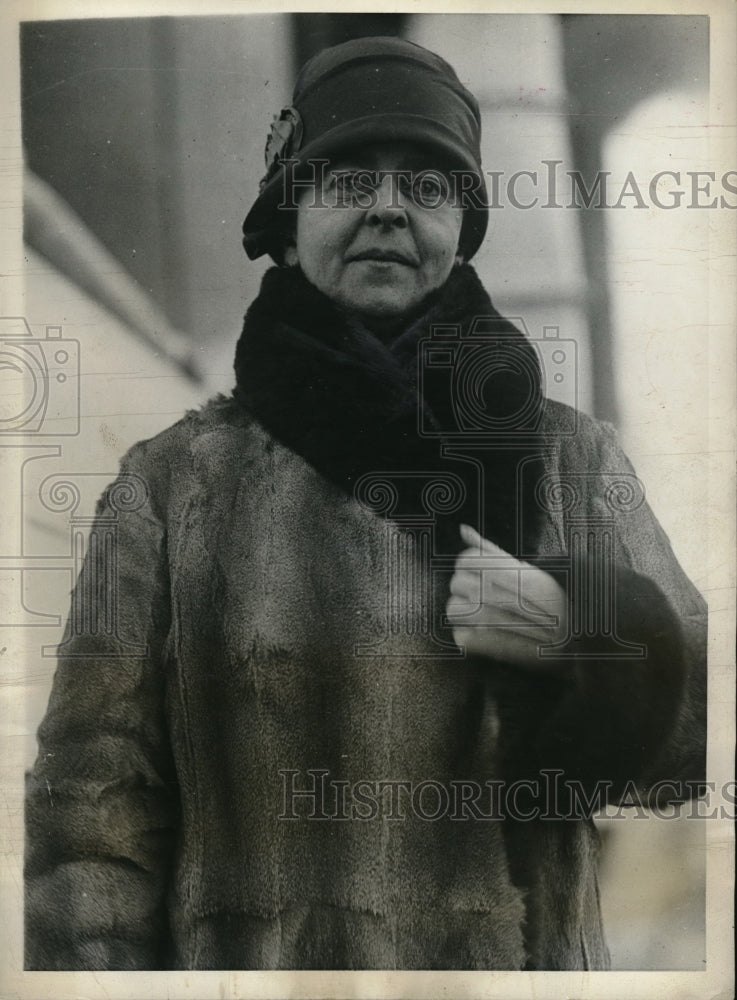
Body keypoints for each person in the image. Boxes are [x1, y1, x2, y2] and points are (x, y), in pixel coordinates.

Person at [25, 36, 706, 971]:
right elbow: (90, 818)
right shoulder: (167, 488)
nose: (388, 208)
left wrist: (578, 631)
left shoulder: (570, 464)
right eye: (347, 180)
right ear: (291, 211)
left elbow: (701, 747)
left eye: (426, 186)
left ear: (460, 227)